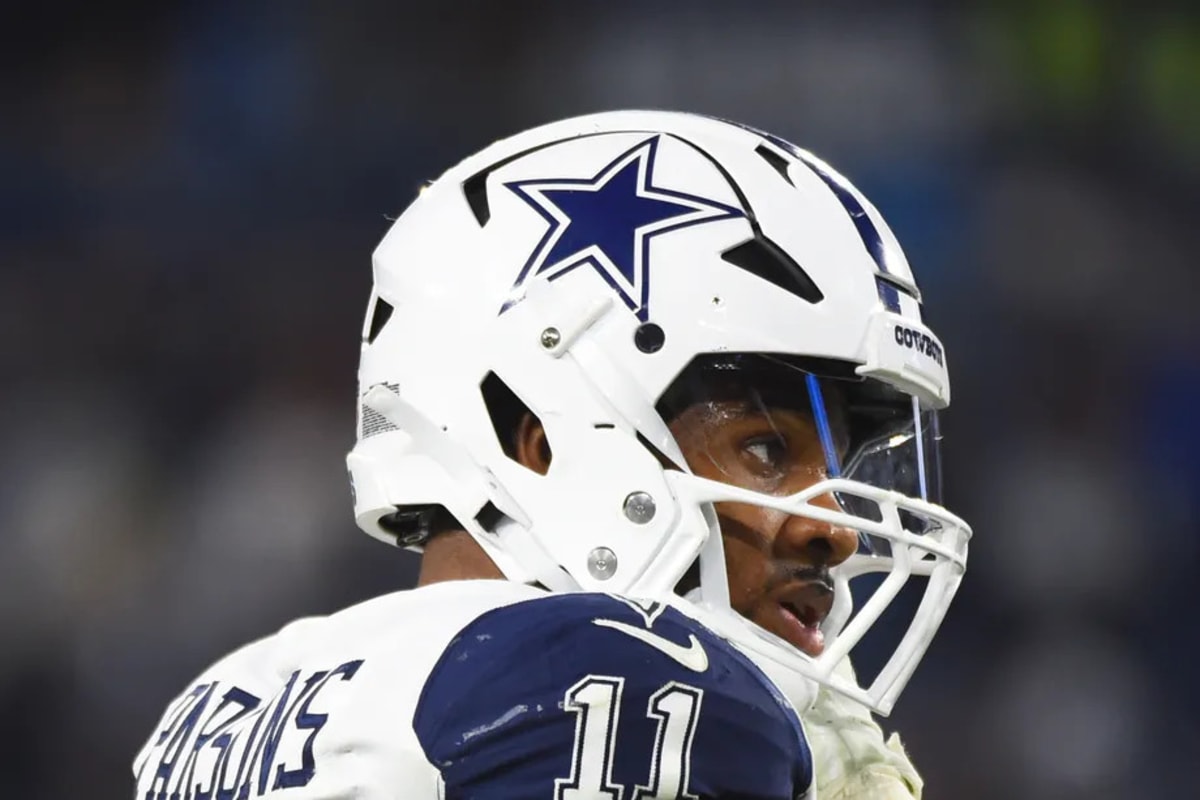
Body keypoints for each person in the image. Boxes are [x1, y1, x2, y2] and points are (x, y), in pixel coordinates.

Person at [132, 110, 970, 799]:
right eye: (764, 449)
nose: (836, 530)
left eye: (837, 470)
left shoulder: (222, 706)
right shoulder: (624, 684)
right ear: (536, 436)